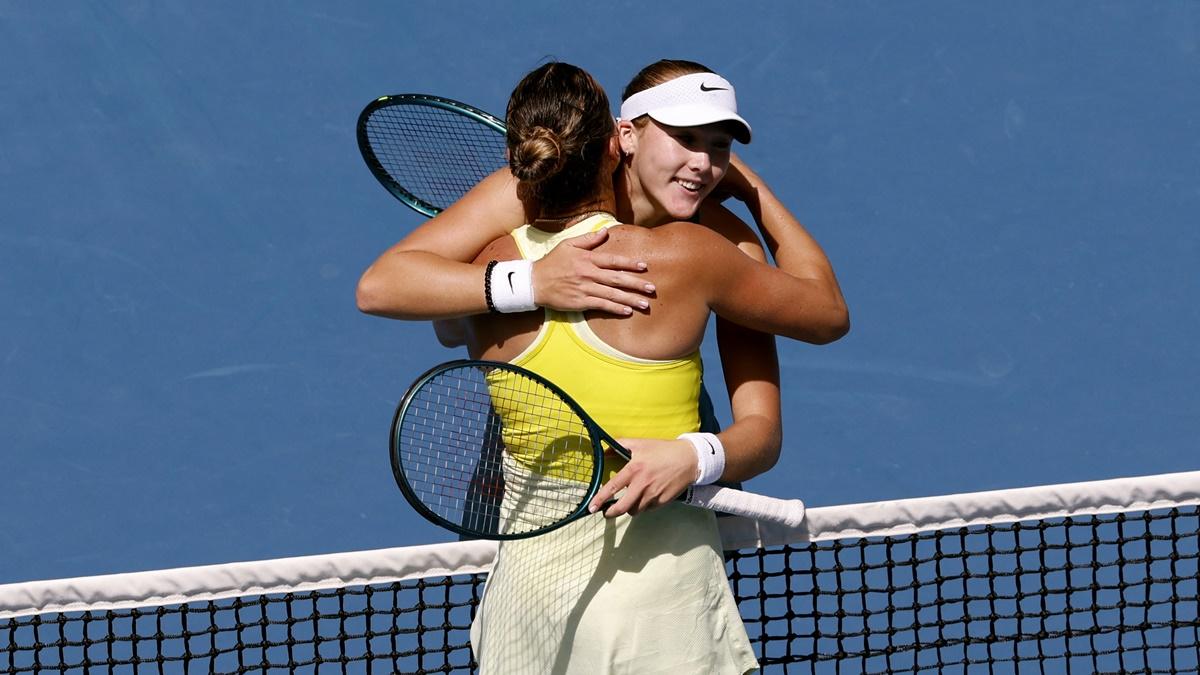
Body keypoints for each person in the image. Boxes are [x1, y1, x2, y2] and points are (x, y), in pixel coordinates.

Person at [375, 60, 843, 674]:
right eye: (685, 138)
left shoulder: (716, 243)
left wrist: (696, 455)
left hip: (592, 593)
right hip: (602, 593)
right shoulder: (541, 205)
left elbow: (438, 308)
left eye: (720, 147)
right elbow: (384, 286)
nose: (704, 164)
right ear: (624, 135)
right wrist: (535, 281)